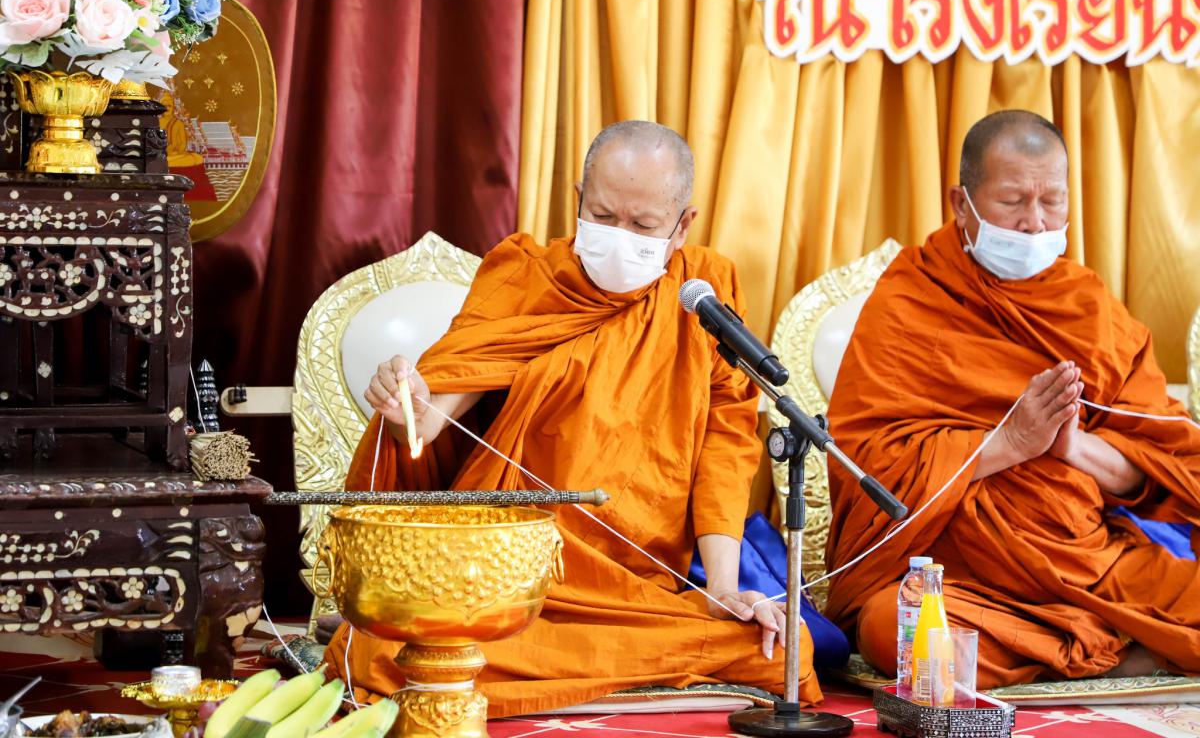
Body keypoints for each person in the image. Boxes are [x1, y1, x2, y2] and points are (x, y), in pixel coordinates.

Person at [323, 121, 822, 716]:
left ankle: (535, 685)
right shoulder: (525, 275)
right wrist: (405, 399)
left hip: (636, 594)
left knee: (782, 651)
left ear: (683, 224)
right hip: (503, 581)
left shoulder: (704, 292)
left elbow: (725, 446)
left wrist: (720, 590)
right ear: (579, 198)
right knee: (380, 651)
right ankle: (623, 686)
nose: (619, 237)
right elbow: (428, 420)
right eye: (603, 215)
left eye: (643, 226)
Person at [825, 110, 1200, 688]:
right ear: (961, 203)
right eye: (1012, 201)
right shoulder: (910, 301)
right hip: (960, 577)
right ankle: (1123, 651)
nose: (1034, 223)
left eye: (1052, 201)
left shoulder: (1088, 306)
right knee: (895, 629)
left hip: (1087, 563)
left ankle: (1083, 647)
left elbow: (1160, 470)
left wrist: (1073, 448)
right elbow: (867, 466)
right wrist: (1009, 444)